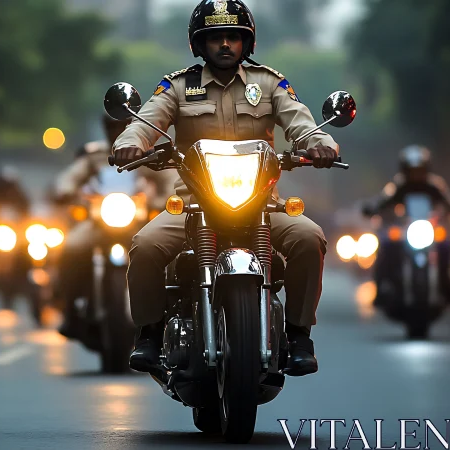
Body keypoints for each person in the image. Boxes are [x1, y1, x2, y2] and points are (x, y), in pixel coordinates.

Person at [111, 0, 340, 376]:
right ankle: (149, 335)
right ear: (198, 45)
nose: (224, 45)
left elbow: (300, 121)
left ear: (246, 43)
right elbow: (147, 121)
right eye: (215, 38)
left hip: (262, 202)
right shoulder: (178, 86)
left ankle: (299, 336)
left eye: (233, 37)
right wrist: (131, 143)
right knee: (146, 245)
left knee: (309, 237)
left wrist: (321, 144)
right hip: (193, 204)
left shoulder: (269, 84)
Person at [53, 115, 177, 339]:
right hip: (99, 223)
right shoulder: (96, 155)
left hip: (138, 222)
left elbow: (170, 180)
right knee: (70, 247)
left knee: (166, 252)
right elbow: (70, 177)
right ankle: (70, 309)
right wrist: (66, 191)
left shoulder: (148, 153)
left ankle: (166, 311)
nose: (117, 130)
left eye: (122, 125)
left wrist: (161, 200)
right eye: (112, 127)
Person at [363, 145, 450, 305]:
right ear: (405, 170)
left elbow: (448, 200)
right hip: (404, 232)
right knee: (387, 246)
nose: (416, 174)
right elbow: (383, 201)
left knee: (445, 246)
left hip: (428, 230)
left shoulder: (434, 186)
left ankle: (446, 285)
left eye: (420, 169)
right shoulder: (398, 187)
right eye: (412, 170)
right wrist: (372, 208)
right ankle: (381, 287)